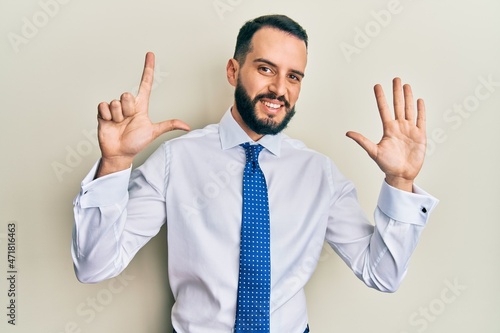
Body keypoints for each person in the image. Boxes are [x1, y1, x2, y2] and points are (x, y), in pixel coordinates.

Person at [72, 14, 438, 333]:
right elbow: (94, 266)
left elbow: (383, 275)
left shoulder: (319, 173)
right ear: (234, 71)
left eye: (293, 76)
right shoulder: (176, 161)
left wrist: (400, 182)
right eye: (266, 69)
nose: (280, 88)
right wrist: (116, 164)